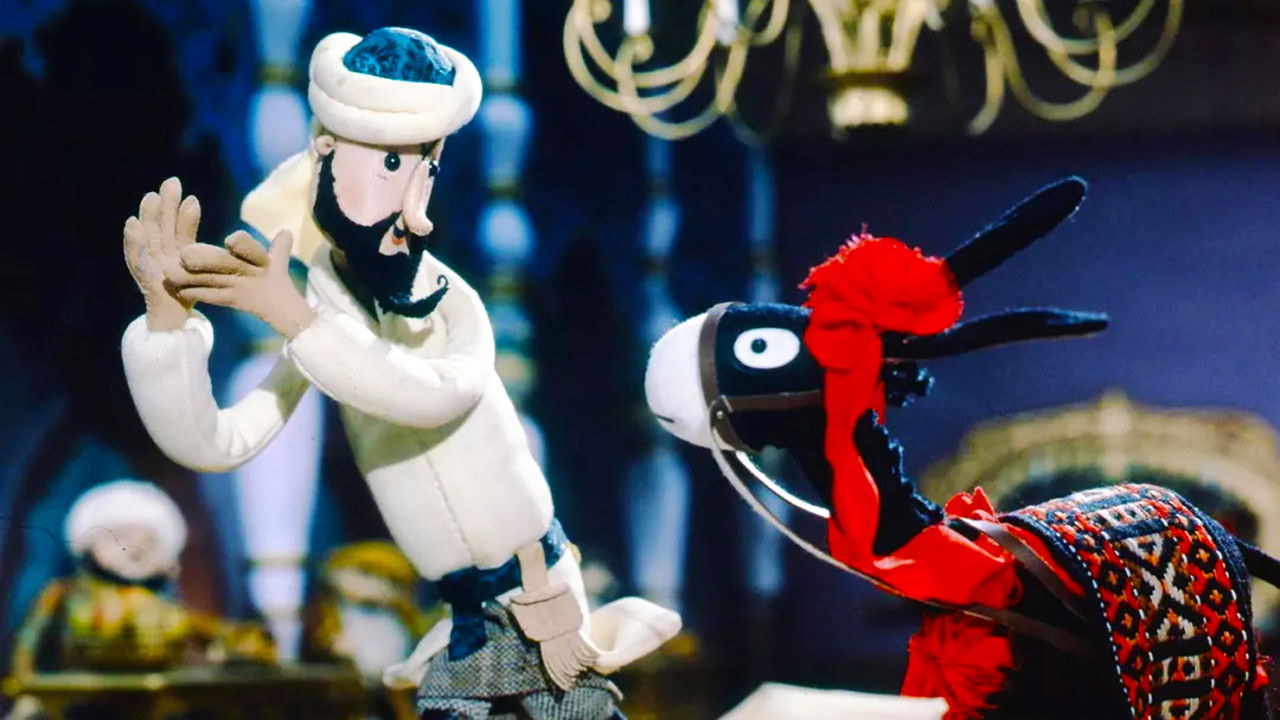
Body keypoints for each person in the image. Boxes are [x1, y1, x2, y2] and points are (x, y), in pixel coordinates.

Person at [120, 27, 676, 719]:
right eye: (390, 164)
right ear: (325, 154)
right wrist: (166, 328)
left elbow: (431, 396)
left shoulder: (447, 299)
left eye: (428, 170)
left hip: (540, 605)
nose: (415, 207)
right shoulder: (323, 320)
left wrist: (297, 320)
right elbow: (218, 441)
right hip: (467, 620)